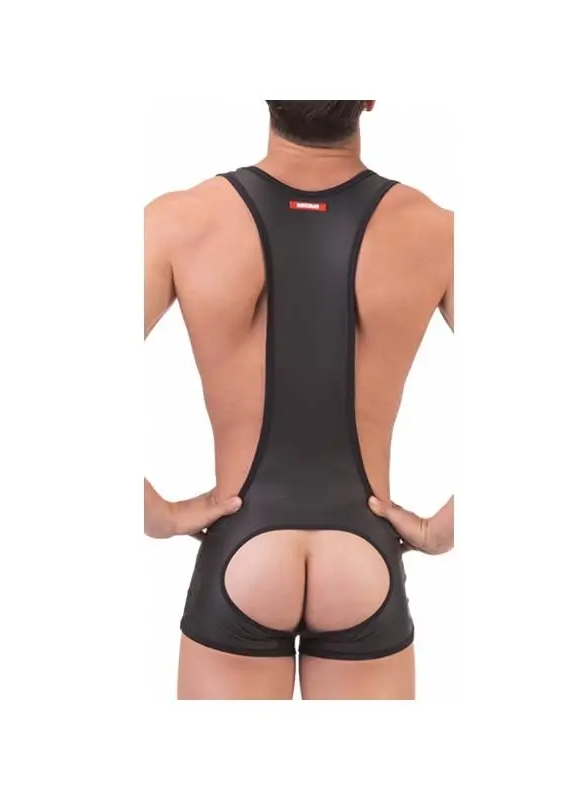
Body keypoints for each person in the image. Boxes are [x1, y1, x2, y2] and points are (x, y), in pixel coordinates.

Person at [144, 100, 454, 700]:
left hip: (241, 542)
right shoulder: (435, 230)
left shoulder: (181, 219)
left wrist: (155, 513)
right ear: (368, 99)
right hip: (365, 553)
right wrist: (442, 529)